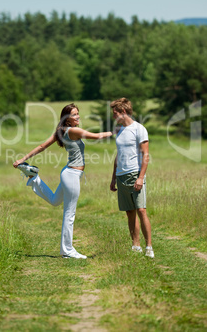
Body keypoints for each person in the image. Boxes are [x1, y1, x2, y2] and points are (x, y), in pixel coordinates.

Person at [13, 103, 112, 259]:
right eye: (74, 114)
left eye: (78, 113)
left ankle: (34, 178)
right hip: (71, 175)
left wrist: (23, 159)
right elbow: (97, 136)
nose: (77, 116)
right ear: (67, 119)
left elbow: (41, 146)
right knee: (69, 213)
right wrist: (116, 131)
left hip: (68, 173)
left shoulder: (61, 131)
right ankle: (67, 250)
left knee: (54, 201)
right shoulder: (73, 131)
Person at [109, 98, 154, 258]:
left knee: (141, 210)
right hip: (121, 175)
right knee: (130, 212)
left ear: (123, 112)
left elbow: (145, 155)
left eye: (115, 113)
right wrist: (113, 177)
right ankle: (136, 246)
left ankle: (149, 247)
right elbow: (118, 156)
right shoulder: (119, 131)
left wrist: (141, 177)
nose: (114, 116)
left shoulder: (139, 129)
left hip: (136, 174)